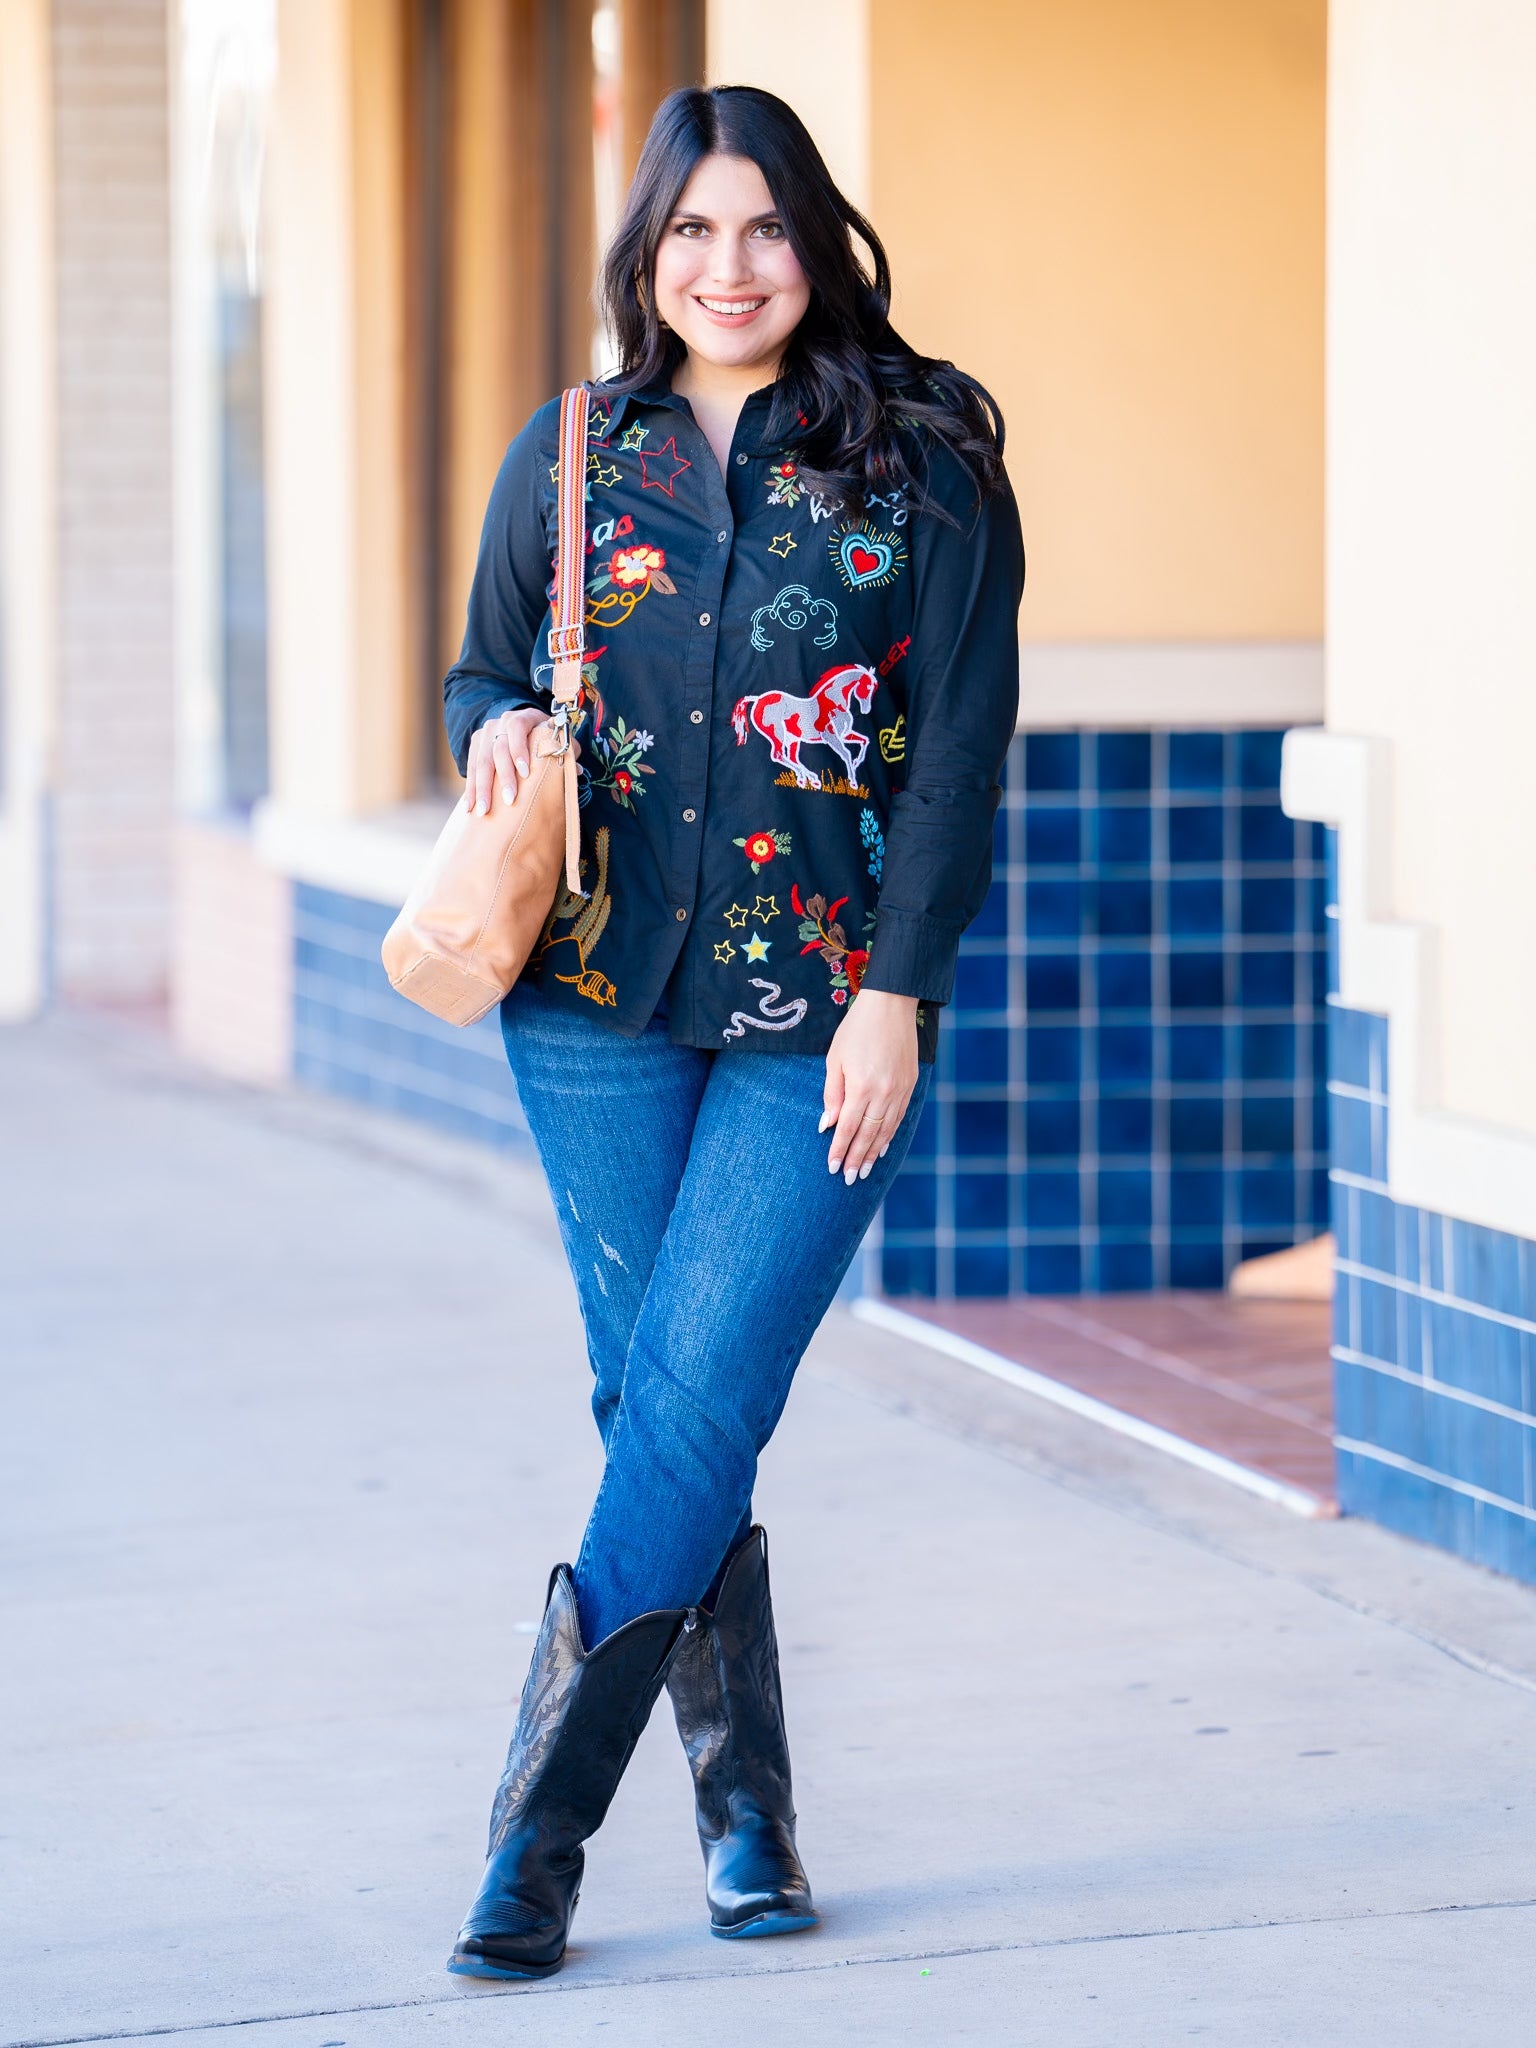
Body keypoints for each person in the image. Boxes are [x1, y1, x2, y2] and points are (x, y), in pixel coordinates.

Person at [440, 84, 1024, 1980]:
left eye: (764, 226)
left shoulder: (924, 455)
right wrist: (493, 730)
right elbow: (480, 664)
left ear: (817, 238)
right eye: (692, 231)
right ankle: (748, 1813)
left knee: (693, 1402)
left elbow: (954, 765)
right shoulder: (577, 446)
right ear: (647, 253)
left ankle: (535, 1839)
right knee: (661, 1411)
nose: (731, 265)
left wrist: (896, 998)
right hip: (591, 1003)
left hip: (815, 1021)